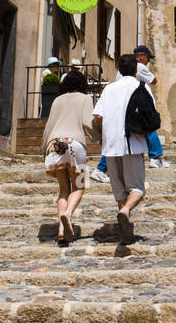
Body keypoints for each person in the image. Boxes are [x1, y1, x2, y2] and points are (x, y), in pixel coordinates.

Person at [91, 53, 147, 241]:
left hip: (111, 145)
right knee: (137, 189)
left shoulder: (109, 89)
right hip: (133, 143)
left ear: (119, 70)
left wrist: (103, 135)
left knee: (120, 191)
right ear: (135, 69)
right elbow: (151, 115)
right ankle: (125, 211)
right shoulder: (141, 86)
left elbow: (98, 116)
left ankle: (125, 231)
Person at [92, 44, 167, 180]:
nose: (148, 61)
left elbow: (98, 115)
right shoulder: (139, 67)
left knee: (118, 138)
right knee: (147, 126)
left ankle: (101, 168)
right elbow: (154, 81)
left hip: (119, 105)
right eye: (147, 57)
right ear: (141, 56)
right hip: (134, 104)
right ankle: (155, 156)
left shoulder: (118, 75)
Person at [42, 69, 94, 244]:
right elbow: (89, 123)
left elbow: (48, 127)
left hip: (54, 145)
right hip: (75, 145)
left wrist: (44, 151)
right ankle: (67, 214)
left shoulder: (57, 100)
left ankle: (62, 230)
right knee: (79, 186)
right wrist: (100, 138)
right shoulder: (85, 99)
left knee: (63, 189)